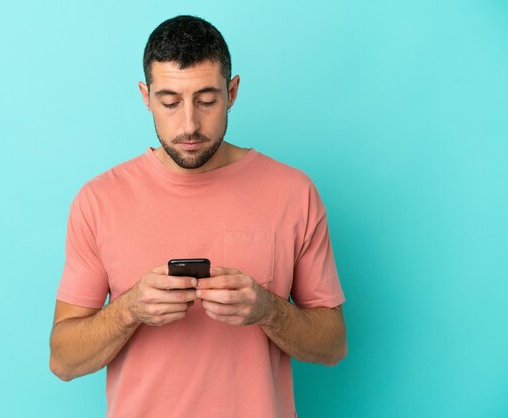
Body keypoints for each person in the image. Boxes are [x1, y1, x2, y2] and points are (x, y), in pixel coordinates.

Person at [49, 15, 347, 418]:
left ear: (233, 91)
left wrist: (267, 310)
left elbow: (333, 346)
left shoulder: (293, 192)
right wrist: (128, 310)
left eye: (207, 100)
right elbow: (64, 360)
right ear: (145, 96)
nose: (189, 125)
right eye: (169, 102)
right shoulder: (99, 200)